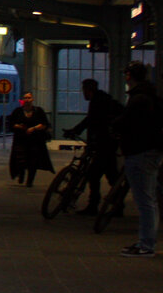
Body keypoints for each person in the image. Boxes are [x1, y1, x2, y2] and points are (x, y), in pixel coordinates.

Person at [109, 61, 163, 257]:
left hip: (140, 152)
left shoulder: (138, 98)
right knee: (150, 199)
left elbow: (128, 122)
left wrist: (114, 125)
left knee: (145, 201)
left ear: (129, 76)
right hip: (150, 151)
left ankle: (146, 245)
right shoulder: (150, 95)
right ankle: (146, 242)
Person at [63, 79, 124, 214]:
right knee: (111, 175)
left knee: (93, 174)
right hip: (108, 144)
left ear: (87, 90)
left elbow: (90, 120)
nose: (83, 93)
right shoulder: (103, 99)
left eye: (83, 90)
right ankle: (118, 205)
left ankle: (93, 206)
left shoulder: (98, 102)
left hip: (104, 144)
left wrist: (75, 131)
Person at [8, 91, 53, 187]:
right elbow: (11, 124)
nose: (27, 100)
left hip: (35, 141)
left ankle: (30, 181)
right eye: (25, 98)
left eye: (29, 98)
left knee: (33, 161)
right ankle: (21, 174)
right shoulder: (18, 111)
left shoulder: (38, 111)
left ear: (32, 99)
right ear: (23, 100)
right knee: (20, 160)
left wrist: (34, 128)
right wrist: (20, 127)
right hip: (21, 140)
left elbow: (44, 124)